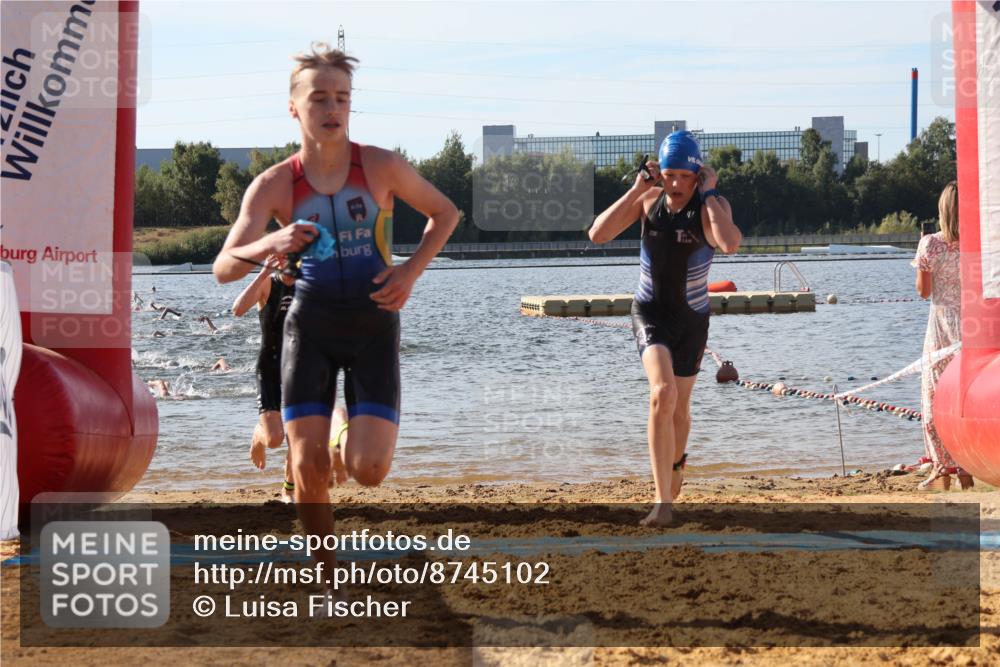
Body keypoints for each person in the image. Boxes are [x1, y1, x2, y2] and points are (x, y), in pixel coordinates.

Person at [212, 43, 458, 581]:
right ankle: (327, 572)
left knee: (369, 472)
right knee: (306, 467)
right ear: (294, 107)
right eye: (319, 97)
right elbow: (224, 267)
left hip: (373, 326)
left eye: (342, 98)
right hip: (310, 329)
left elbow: (445, 212)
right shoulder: (275, 184)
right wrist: (270, 240)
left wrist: (410, 271)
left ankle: (342, 435)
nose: (332, 108)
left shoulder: (380, 166)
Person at [589, 131, 741, 526]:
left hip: (691, 321)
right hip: (650, 312)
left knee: (680, 409)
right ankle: (662, 501)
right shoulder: (647, 202)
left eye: (683, 177)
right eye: (668, 175)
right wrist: (637, 187)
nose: (674, 185)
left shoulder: (712, 205)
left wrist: (708, 196)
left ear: (697, 175)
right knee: (663, 392)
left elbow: (729, 244)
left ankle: (675, 466)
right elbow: (598, 233)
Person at [912, 181, 969, 490]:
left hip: (942, 326)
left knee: (934, 397)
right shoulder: (978, 242)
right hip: (973, 324)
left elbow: (924, 292)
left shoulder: (931, 244)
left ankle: (942, 466)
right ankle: (966, 465)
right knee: (965, 396)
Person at [232, 254, 297, 500]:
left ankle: (288, 491)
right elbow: (237, 310)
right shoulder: (269, 284)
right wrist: (261, 274)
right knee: (275, 439)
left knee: (298, 435)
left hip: (299, 369)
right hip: (269, 367)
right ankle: (259, 434)